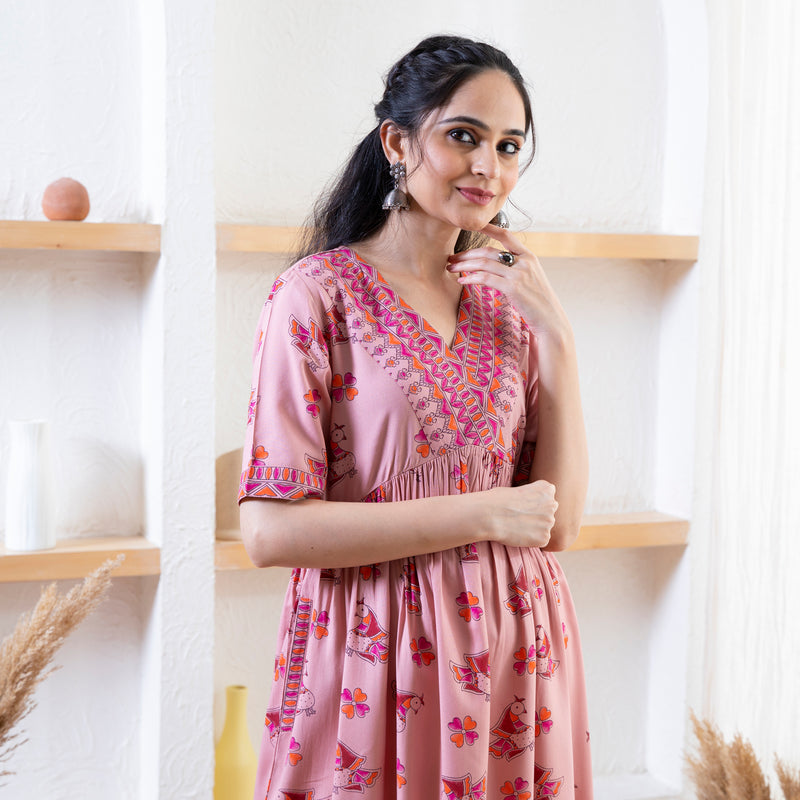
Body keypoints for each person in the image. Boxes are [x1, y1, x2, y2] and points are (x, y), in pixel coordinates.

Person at [239, 34, 592, 800]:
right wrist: (485, 513)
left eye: (508, 146)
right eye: (463, 136)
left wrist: (559, 340)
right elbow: (270, 531)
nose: (487, 167)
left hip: (515, 659)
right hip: (375, 653)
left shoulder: (508, 308)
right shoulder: (317, 295)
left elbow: (556, 527)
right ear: (397, 142)